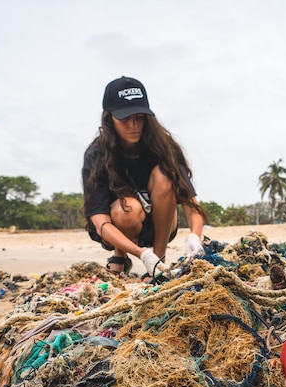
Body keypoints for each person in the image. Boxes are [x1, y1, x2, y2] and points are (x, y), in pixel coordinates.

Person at [82, 76, 206, 278]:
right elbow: (100, 221)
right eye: (124, 118)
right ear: (109, 119)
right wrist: (141, 254)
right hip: (118, 225)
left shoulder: (162, 146)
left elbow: (191, 201)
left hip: (161, 226)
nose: (133, 125)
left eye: (139, 117)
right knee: (126, 210)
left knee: (166, 175)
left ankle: (159, 262)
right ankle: (120, 256)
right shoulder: (96, 154)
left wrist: (195, 235)